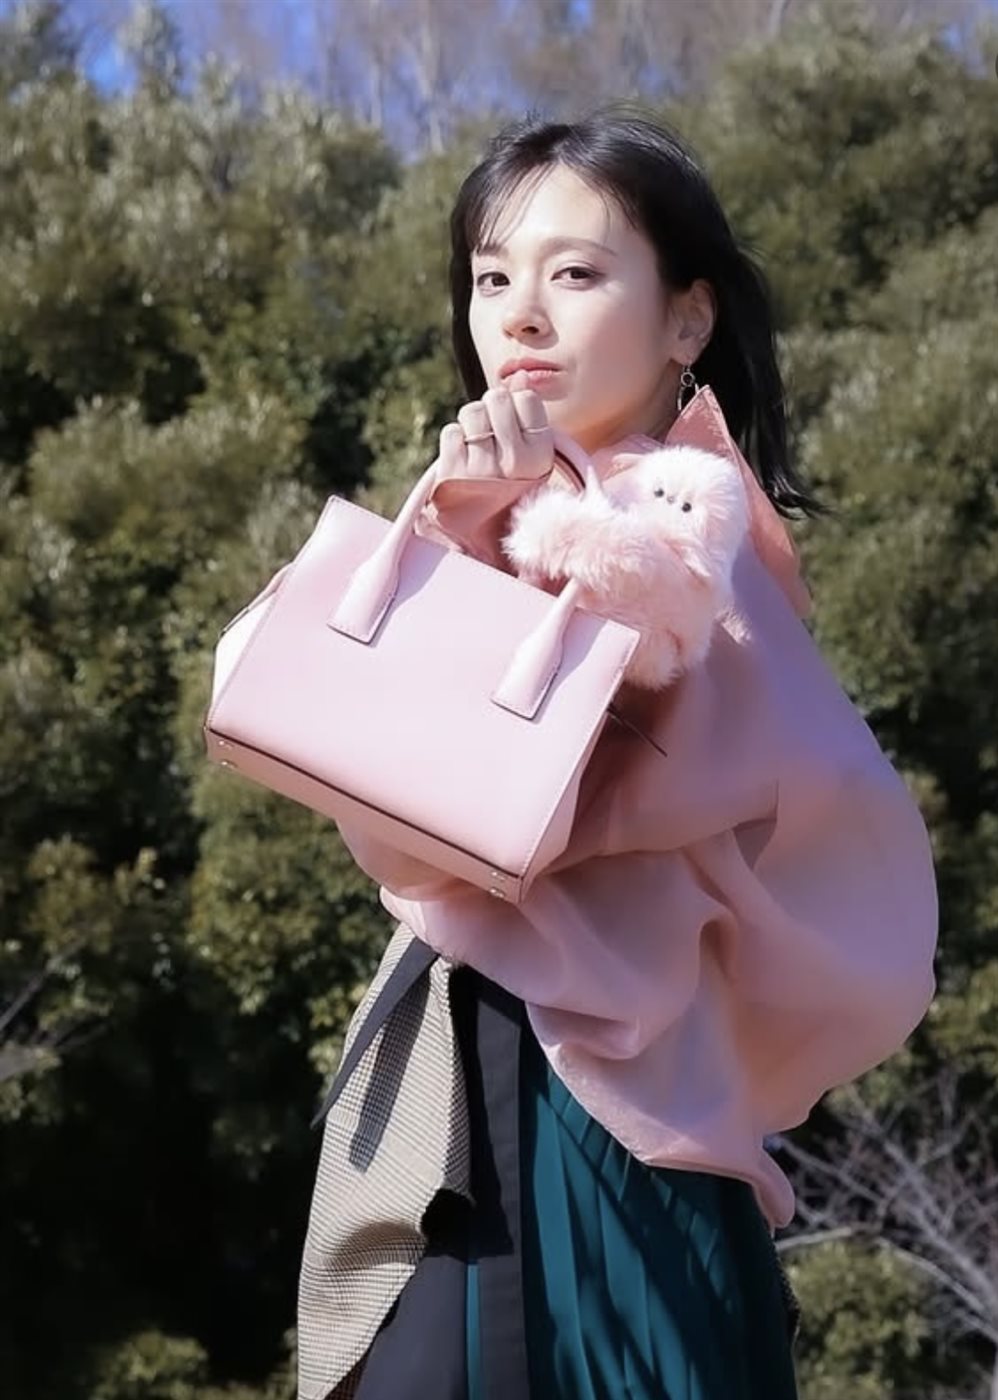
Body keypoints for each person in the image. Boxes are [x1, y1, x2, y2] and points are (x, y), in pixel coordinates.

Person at [296, 108, 938, 1400]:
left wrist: (473, 529)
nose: (520, 317)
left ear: (687, 320)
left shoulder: (670, 524)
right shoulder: (578, 510)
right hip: (538, 1079)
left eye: (576, 273)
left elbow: (506, 794)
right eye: (491, 279)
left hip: (569, 1096)